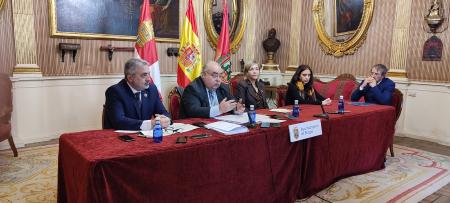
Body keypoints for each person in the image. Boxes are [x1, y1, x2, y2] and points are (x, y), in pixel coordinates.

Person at [104, 58, 171, 130]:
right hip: (119, 137)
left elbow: (163, 112)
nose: (149, 79)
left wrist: (166, 120)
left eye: (149, 74)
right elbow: (119, 121)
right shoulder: (115, 92)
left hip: (145, 136)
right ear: (130, 78)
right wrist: (150, 124)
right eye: (144, 75)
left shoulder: (151, 89)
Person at [180, 61, 245, 118]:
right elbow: (193, 111)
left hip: (219, 125)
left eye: (220, 76)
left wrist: (236, 108)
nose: (218, 80)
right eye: (214, 76)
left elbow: (232, 103)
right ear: (203, 75)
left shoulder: (223, 87)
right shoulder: (193, 88)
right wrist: (218, 109)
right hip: (197, 126)